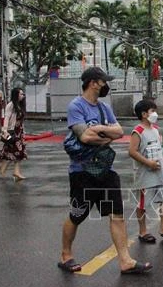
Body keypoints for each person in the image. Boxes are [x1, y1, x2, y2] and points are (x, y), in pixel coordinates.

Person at [58, 66, 152, 274]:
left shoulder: (104, 108)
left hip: (105, 170)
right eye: (103, 82)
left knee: (117, 214)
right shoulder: (76, 106)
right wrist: (106, 135)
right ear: (93, 83)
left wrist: (99, 130)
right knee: (77, 215)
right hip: (82, 172)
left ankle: (125, 260)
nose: (105, 85)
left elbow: (119, 131)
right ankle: (66, 255)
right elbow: (84, 137)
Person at [129, 99, 163, 243]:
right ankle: (143, 232)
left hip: (160, 174)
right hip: (145, 176)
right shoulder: (138, 131)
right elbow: (132, 152)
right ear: (144, 114)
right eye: (153, 111)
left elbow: (160, 151)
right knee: (142, 205)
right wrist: (148, 163)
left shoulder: (155, 129)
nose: (155, 114)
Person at [0, 87, 28, 181]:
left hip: (19, 132)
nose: (23, 95)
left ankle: (7, 169)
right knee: (16, 152)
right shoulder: (11, 105)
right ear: (16, 95)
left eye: (23, 94)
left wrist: (24, 132)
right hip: (12, 131)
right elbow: (6, 118)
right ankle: (14, 171)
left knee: (12, 151)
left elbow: (21, 121)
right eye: (21, 94)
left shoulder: (19, 105)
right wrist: (5, 130)